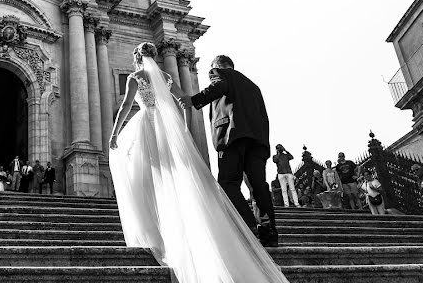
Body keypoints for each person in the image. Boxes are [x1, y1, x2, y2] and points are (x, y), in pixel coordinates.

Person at [110, 43, 289, 283]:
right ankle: (267, 231)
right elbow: (184, 101)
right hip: (253, 140)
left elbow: (126, 107)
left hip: (213, 136)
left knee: (220, 182)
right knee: (258, 185)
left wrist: (114, 133)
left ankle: (244, 228)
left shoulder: (139, 77)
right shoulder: (168, 77)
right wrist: (184, 127)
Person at [179, 54, 280, 249]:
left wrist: (194, 100)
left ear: (219, 67)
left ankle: (248, 226)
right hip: (257, 141)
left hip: (232, 137)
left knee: (227, 183)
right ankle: (269, 233)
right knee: (258, 186)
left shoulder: (218, 73)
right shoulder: (253, 86)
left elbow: (218, 87)